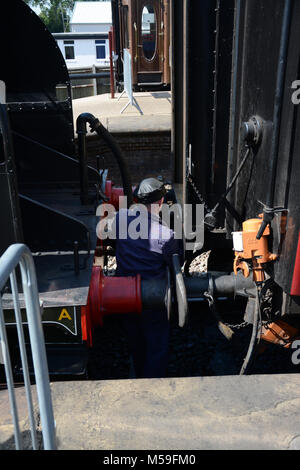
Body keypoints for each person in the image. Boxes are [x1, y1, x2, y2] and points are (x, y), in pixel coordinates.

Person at [114, 177, 182, 378]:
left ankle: (137, 368)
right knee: (157, 343)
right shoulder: (166, 235)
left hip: (122, 293)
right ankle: (152, 382)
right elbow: (175, 266)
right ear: (160, 203)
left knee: (134, 336)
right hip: (153, 298)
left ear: (136, 200)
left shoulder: (119, 218)